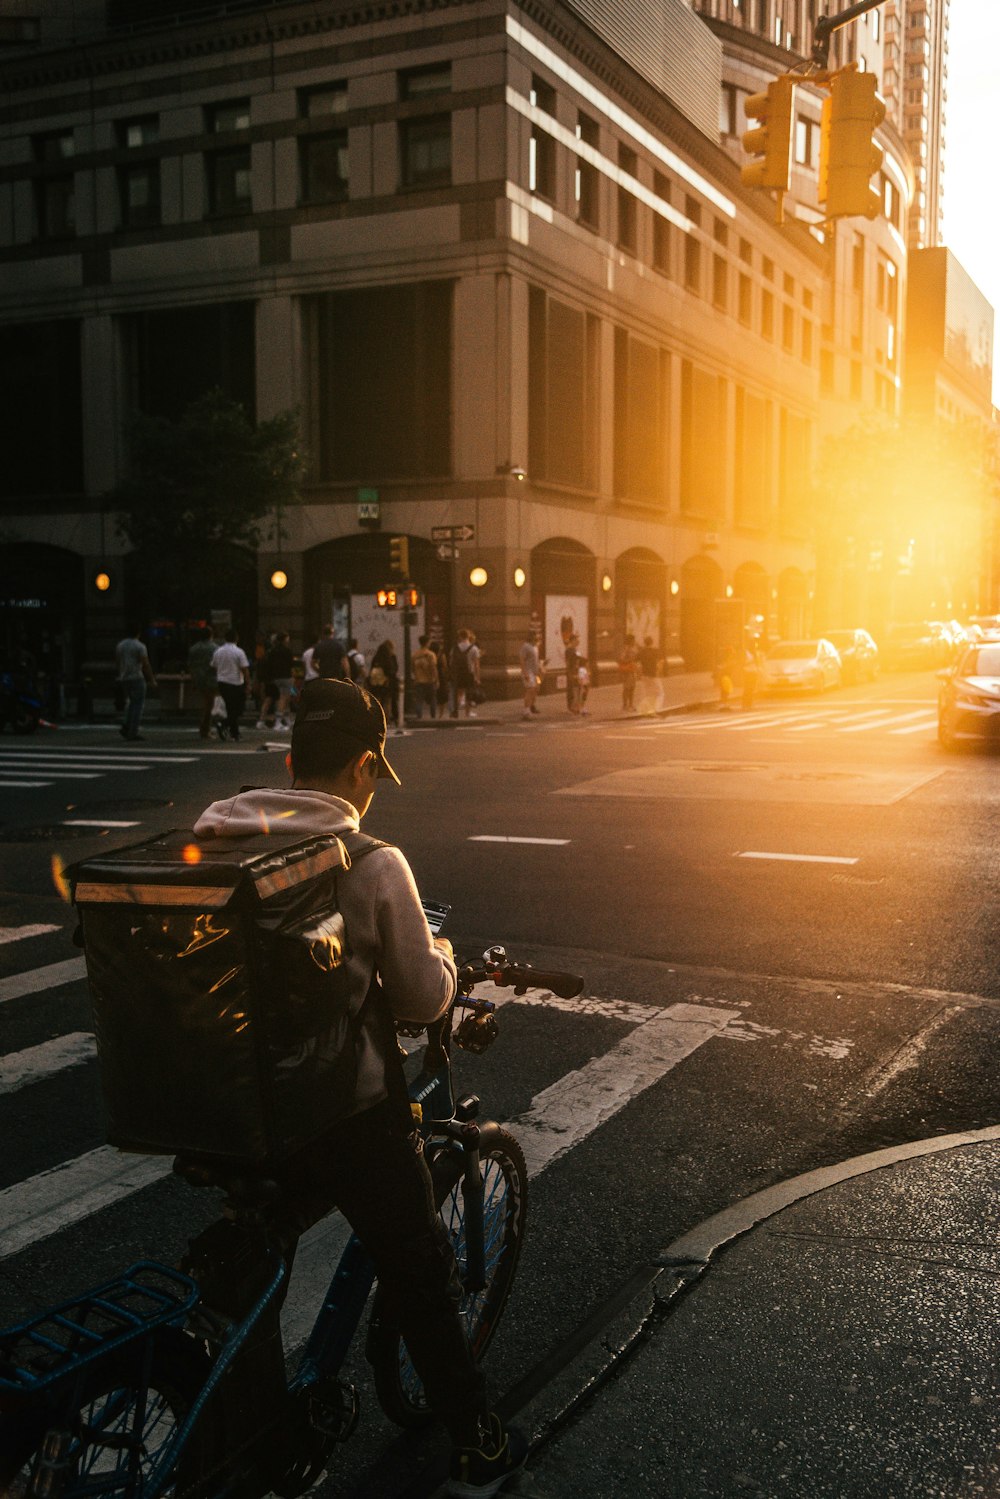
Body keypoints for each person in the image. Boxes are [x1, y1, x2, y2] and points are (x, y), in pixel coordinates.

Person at [192, 677, 526, 1495]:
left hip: (230, 1104)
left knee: (256, 1260)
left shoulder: (218, 832)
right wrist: (444, 965)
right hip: (343, 1112)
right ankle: (476, 1444)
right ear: (367, 766)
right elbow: (418, 997)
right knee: (419, 1269)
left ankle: (268, 1450)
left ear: (288, 760)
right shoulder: (373, 863)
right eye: (376, 771)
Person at [115, 626, 157, 742]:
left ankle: (126, 725)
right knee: (138, 705)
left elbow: (118, 661)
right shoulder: (140, 646)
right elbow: (145, 664)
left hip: (124, 677)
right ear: (138, 633)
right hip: (137, 677)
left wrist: (121, 673)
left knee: (130, 703)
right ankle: (132, 732)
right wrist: (152, 679)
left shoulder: (120, 645)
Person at [211, 628, 250, 742]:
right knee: (238, 709)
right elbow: (244, 669)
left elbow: (214, 666)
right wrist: (248, 684)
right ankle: (225, 724)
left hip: (222, 682)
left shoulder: (218, 651)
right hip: (236, 682)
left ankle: (234, 732)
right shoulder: (239, 652)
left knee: (230, 707)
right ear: (236, 638)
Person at [368, 639, 398, 725]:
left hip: (375, 683)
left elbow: (372, 670)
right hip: (387, 683)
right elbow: (393, 670)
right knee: (387, 701)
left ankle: (377, 718)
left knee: (377, 700)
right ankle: (386, 719)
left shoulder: (376, 657)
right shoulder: (390, 657)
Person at [411, 634, 439, 720]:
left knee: (419, 699)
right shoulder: (431, 654)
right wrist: (436, 679)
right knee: (433, 699)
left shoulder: (415, 655)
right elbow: (433, 668)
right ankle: (433, 716)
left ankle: (419, 716)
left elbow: (412, 668)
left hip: (419, 680)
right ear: (427, 643)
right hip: (430, 680)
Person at [450, 629, 476, 718]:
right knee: (469, 693)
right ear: (468, 636)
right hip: (469, 673)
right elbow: (476, 665)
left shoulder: (455, 648)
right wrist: (477, 677)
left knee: (458, 693)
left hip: (458, 673)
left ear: (460, 636)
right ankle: (467, 713)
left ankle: (455, 712)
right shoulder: (473, 648)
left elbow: (451, 661)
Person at [637, 636, 664, 715]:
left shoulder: (641, 652)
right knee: (660, 693)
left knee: (647, 694)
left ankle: (644, 710)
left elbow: (637, 664)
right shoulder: (655, 651)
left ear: (645, 643)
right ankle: (657, 709)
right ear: (652, 642)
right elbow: (661, 661)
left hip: (644, 675)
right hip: (653, 674)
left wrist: (639, 673)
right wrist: (659, 671)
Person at [519, 631, 542, 720]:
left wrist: (540, 667)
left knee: (536, 688)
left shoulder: (535, 647)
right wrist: (525, 673)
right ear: (531, 636)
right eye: (536, 635)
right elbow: (522, 660)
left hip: (536, 673)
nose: (537, 637)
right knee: (530, 689)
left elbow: (536, 660)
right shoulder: (525, 647)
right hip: (529, 673)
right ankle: (526, 711)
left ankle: (532, 705)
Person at [618, 633, 639, 713]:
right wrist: (630, 660)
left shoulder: (633, 648)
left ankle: (630, 704)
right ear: (630, 641)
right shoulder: (626, 649)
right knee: (627, 688)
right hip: (627, 671)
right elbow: (621, 659)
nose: (634, 641)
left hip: (632, 670)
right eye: (633, 640)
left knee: (632, 688)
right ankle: (625, 705)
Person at [564, 632, 580, 714]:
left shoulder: (574, 649)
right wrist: (570, 673)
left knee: (576, 688)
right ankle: (571, 707)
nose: (578, 641)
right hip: (572, 671)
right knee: (571, 689)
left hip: (576, 671)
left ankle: (575, 706)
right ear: (573, 640)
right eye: (577, 639)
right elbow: (568, 662)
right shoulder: (569, 650)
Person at [433, 641, 450, 719]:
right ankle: (441, 714)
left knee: (434, 695)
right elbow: (445, 666)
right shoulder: (441, 656)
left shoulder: (431, 655)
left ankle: (433, 714)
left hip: (431, 675)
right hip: (441, 676)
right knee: (442, 695)